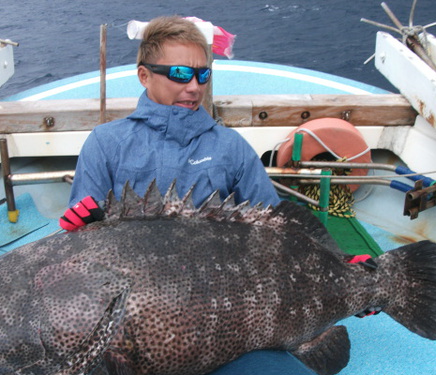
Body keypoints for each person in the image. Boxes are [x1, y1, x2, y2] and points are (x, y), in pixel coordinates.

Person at [61, 16, 280, 231]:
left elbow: (272, 224)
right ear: (144, 76)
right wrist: (82, 224)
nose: (195, 86)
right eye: (180, 73)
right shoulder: (105, 142)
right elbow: (87, 234)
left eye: (202, 75)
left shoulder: (232, 146)